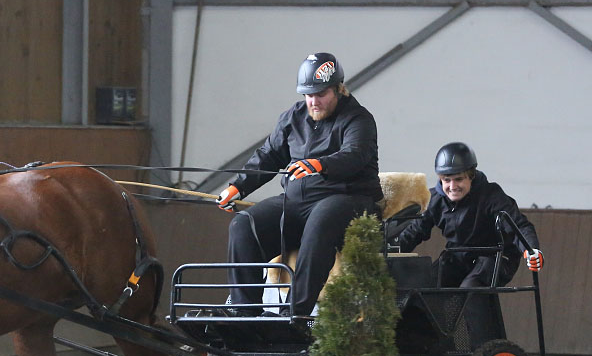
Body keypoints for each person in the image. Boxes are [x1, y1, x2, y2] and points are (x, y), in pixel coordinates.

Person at [216, 52, 381, 316]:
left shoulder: (358, 118)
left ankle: (294, 314)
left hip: (348, 201)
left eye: (321, 94)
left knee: (321, 220)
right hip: (297, 204)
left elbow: (355, 155)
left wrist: (319, 164)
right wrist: (238, 187)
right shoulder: (293, 117)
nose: (313, 101)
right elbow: (269, 155)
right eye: (308, 94)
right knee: (243, 224)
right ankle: (244, 313)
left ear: (339, 88)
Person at [393, 142, 543, 287]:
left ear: (470, 176)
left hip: (495, 257)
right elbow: (415, 231)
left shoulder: (491, 195)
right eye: (447, 180)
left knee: (470, 289)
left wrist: (531, 250)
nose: (452, 187)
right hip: (459, 256)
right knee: (427, 287)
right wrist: (389, 254)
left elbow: (519, 225)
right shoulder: (434, 200)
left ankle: (470, 311)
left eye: (459, 179)